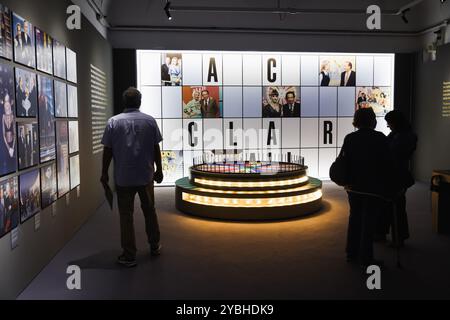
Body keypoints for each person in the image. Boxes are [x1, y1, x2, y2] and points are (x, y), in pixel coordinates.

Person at [101, 87, 164, 268]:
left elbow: (108, 150)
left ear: (124, 102)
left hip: (124, 177)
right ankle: (154, 245)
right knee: (150, 210)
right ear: (139, 102)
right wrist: (159, 169)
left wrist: (104, 173)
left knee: (126, 216)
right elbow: (155, 148)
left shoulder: (113, 122)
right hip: (145, 176)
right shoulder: (150, 121)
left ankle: (129, 254)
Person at [339, 108, 392, 267]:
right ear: (372, 120)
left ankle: (351, 253)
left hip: (353, 187)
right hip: (373, 188)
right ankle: (366, 258)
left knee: (354, 218)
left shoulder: (350, 138)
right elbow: (387, 164)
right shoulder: (380, 138)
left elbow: (343, 161)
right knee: (368, 222)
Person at [376, 110, 417, 246]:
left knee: (396, 207)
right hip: (394, 174)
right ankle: (387, 234)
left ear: (396, 123)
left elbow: (392, 152)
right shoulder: (402, 134)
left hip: (396, 175)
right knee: (388, 205)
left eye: (389, 123)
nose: (388, 126)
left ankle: (397, 238)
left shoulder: (403, 137)